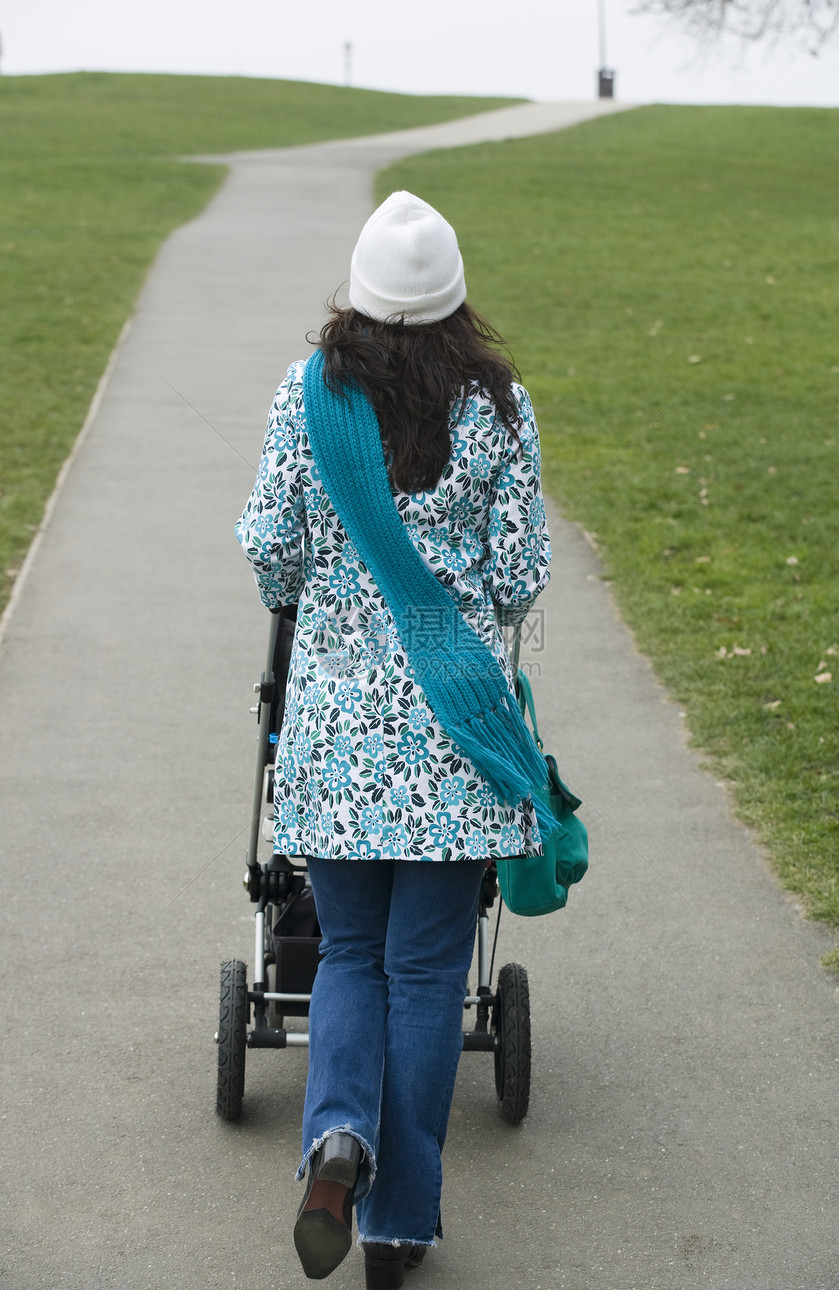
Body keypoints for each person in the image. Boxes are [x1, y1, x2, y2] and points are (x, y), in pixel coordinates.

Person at [236, 191, 551, 1289]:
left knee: (348, 960)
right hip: (451, 734)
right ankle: (401, 1223)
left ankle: (336, 1139)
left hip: (330, 737)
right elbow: (516, 580)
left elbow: (271, 551)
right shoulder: (497, 409)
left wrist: (322, 594)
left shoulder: (307, 394)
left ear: (358, 294)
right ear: (454, 298)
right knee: (425, 973)